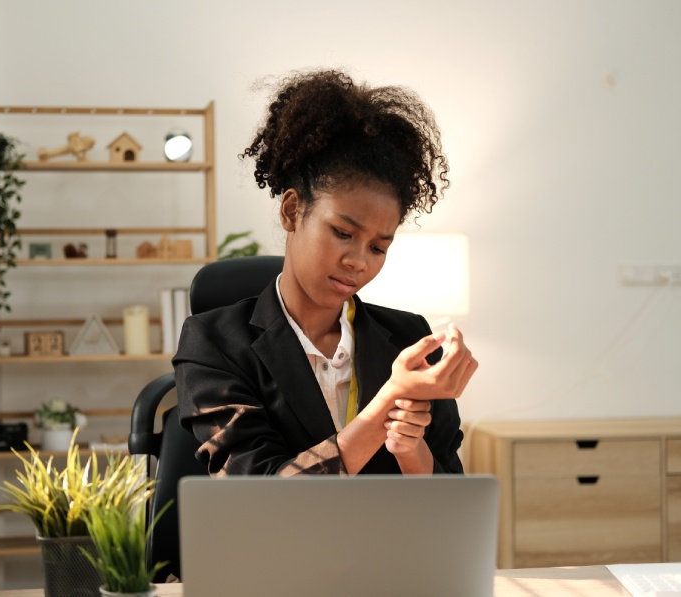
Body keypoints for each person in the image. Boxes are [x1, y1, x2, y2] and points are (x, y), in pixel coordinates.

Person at [173, 69, 477, 476]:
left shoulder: (410, 342)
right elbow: (259, 496)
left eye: (378, 247)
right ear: (292, 210)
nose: (359, 261)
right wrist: (390, 400)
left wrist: (409, 450)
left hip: (390, 541)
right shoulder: (213, 343)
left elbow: (450, 509)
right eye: (343, 233)